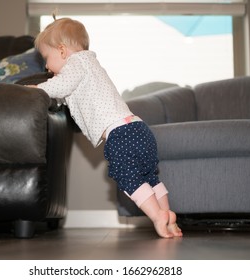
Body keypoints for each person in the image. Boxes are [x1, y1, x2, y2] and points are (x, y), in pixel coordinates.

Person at [26, 17, 182, 238]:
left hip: (120, 134)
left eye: (46, 58)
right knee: (149, 177)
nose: (46, 67)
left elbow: (60, 86)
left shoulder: (76, 63)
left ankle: (157, 216)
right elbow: (67, 95)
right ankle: (167, 214)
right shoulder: (89, 66)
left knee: (128, 176)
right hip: (139, 129)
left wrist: (36, 89)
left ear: (62, 51)